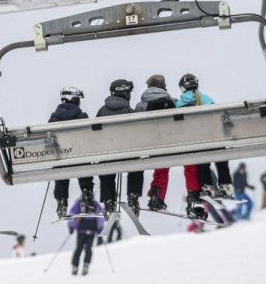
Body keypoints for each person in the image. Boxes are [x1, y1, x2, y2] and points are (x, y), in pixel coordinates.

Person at [175, 73, 232, 218]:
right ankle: (226, 185)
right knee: (221, 159)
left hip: (198, 140)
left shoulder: (180, 104)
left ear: (182, 88)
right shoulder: (207, 99)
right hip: (214, 137)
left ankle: (207, 188)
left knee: (202, 163)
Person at [95, 79, 143, 217]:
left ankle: (108, 201)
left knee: (106, 173)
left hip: (108, 154)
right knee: (136, 168)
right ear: (125, 93)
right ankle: (133, 196)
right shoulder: (129, 111)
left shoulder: (102, 111)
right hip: (128, 153)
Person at [48, 86, 94, 218]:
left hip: (61, 157)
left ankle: (61, 203)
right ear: (74, 99)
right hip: (80, 156)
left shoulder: (53, 119)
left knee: (60, 172)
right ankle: (87, 197)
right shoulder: (83, 116)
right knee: (84, 166)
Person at [134, 74, 177, 213]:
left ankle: (134, 196)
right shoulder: (172, 101)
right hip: (166, 143)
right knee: (163, 168)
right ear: (163, 86)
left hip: (146, 144)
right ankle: (157, 197)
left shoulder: (141, 105)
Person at [68, 197, 105, 276]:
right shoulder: (81, 203)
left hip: (87, 230)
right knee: (82, 248)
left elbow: (72, 214)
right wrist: (100, 227)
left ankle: (83, 265)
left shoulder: (88, 203)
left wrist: (71, 226)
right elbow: (73, 214)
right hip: (85, 230)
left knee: (85, 248)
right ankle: (78, 266)